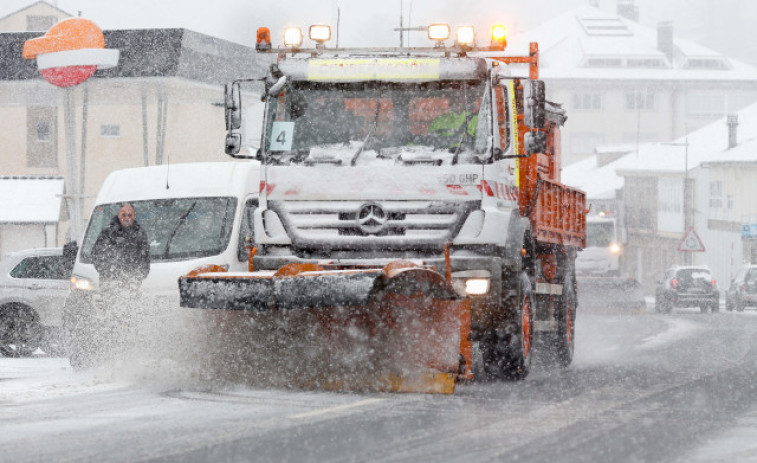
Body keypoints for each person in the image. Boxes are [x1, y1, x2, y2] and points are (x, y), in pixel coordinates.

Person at [91, 202, 150, 288]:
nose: (127, 218)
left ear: (134, 216)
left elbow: (145, 258)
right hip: (110, 285)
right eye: (124, 215)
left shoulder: (140, 234)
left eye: (130, 215)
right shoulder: (108, 233)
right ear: (119, 215)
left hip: (133, 286)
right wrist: (109, 274)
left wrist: (137, 277)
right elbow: (97, 256)